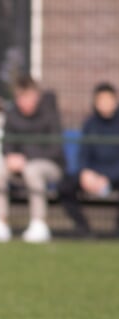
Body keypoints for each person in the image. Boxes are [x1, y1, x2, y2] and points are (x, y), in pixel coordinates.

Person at [0, 75, 65, 243]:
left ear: (36, 96)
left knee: (32, 170)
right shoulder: (12, 114)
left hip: (49, 166)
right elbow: (6, 145)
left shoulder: (49, 114)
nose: (24, 102)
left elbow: (55, 149)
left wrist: (26, 158)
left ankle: (39, 224)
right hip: (19, 165)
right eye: (21, 98)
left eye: (28, 97)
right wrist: (11, 157)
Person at [58, 82, 119, 237]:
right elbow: (83, 154)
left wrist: (108, 177)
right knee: (65, 186)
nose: (105, 104)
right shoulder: (89, 124)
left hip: (114, 175)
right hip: (93, 175)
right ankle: (83, 227)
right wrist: (85, 173)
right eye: (101, 100)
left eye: (108, 99)